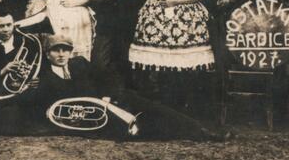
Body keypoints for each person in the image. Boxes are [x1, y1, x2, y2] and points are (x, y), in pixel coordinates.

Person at [33, 34, 228, 140]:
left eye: (65, 50)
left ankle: (203, 131)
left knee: (159, 109)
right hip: (96, 119)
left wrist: (108, 96)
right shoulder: (43, 77)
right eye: (55, 50)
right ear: (47, 54)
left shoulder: (80, 63)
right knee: (149, 129)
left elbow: (109, 76)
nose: (61, 54)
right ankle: (195, 134)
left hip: (114, 101)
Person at [129, 0, 214, 112]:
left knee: (181, 65)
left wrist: (177, 0)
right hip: (157, 16)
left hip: (184, 16)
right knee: (159, 64)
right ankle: (162, 108)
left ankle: (181, 106)